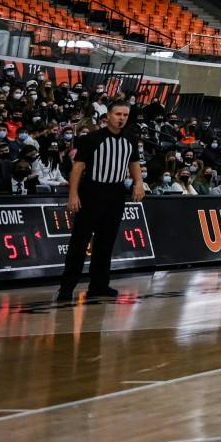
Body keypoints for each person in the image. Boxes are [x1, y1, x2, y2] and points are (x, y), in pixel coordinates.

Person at [57, 97, 146, 301]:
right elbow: (77, 168)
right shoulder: (92, 138)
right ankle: (66, 288)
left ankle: (99, 285)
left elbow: (134, 163)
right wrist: (73, 194)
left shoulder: (131, 139)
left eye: (125, 115)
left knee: (106, 243)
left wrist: (139, 182)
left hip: (116, 194)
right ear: (108, 116)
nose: (121, 118)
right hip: (92, 192)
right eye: (118, 114)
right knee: (79, 243)